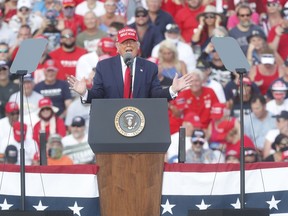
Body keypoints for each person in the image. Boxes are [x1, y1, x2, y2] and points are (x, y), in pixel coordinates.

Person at [67, 26, 193, 101]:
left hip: (141, 122)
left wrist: (172, 89)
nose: (128, 45)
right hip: (111, 121)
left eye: (132, 42)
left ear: (138, 46)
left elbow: (155, 95)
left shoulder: (150, 67)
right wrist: (84, 93)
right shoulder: (104, 66)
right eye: (124, 42)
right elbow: (98, 95)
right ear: (117, 46)